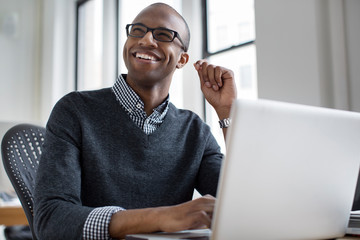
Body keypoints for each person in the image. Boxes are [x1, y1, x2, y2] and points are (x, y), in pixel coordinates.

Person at [34, 2, 237, 240]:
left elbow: (241, 204)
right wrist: (160, 218)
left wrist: (228, 112)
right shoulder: (74, 111)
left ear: (182, 59)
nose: (146, 40)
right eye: (137, 30)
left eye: (163, 34)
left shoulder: (195, 132)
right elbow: (51, 220)